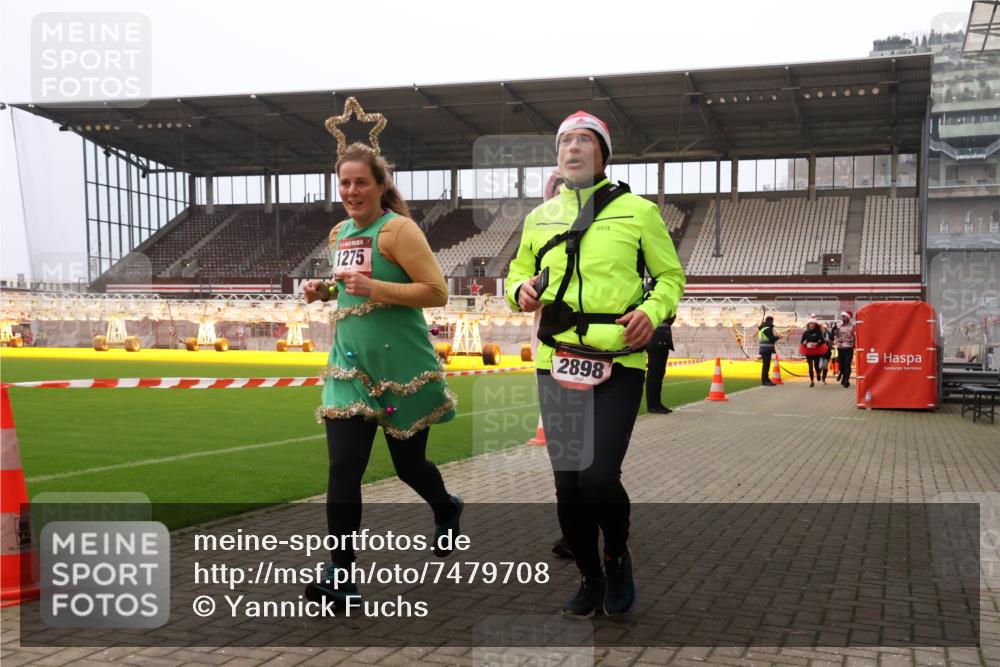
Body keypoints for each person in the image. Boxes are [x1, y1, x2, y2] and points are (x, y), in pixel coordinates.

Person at [506, 110, 685, 617]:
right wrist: (517, 290)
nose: (573, 149)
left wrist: (652, 311)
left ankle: (616, 554)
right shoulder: (538, 218)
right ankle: (588, 575)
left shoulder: (639, 212)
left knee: (597, 477)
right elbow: (516, 273)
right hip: (556, 358)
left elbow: (671, 277)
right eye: (566, 142)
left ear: (603, 153)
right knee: (567, 480)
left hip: (620, 360)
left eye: (585, 141)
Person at [301, 142, 462, 604]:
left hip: (400, 369)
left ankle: (446, 507)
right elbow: (348, 290)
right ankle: (341, 572)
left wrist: (376, 287)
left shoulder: (399, 231)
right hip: (350, 367)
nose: (352, 191)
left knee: (409, 467)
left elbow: (436, 292)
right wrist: (322, 291)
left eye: (360, 182)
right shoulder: (338, 234)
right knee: (343, 469)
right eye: (345, 183)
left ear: (379, 185)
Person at [644, 297, 675, 414]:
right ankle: (653, 405)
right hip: (657, 337)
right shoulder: (653, 295)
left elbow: (671, 318)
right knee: (655, 373)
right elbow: (669, 317)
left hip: (661, 337)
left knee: (658, 373)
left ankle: (656, 403)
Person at [799, 318, 827, 387]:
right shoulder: (806, 332)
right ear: (808, 325)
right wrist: (804, 343)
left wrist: (817, 344)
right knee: (810, 366)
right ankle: (812, 381)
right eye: (810, 324)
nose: (811, 325)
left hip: (816, 350)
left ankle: (818, 374)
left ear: (815, 325)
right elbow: (801, 341)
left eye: (813, 324)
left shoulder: (818, 332)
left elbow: (823, 341)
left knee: (816, 366)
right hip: (808, 350)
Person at [834, 311, 856, 388]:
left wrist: (856, 345)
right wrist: (835, 332)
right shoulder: (838, 325)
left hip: (849, 347)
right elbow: (835, 335)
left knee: (847, 364)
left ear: (848, 318)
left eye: (844, 317)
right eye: (842, 316)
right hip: (840, 347)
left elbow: (856, 336)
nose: (843, 318)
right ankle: (842, 373)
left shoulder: (853, 326)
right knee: (841, 365)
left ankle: (846, 380)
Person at [758, 316, 779, 386]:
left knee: (765, 366)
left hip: (764, 349)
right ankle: (765, 381)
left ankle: (765, 380)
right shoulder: (767, 329)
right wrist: (778, 337)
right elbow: (772, 338)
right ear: (771, 321)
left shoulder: (763, 328)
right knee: (766, 366)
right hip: (767, 349)